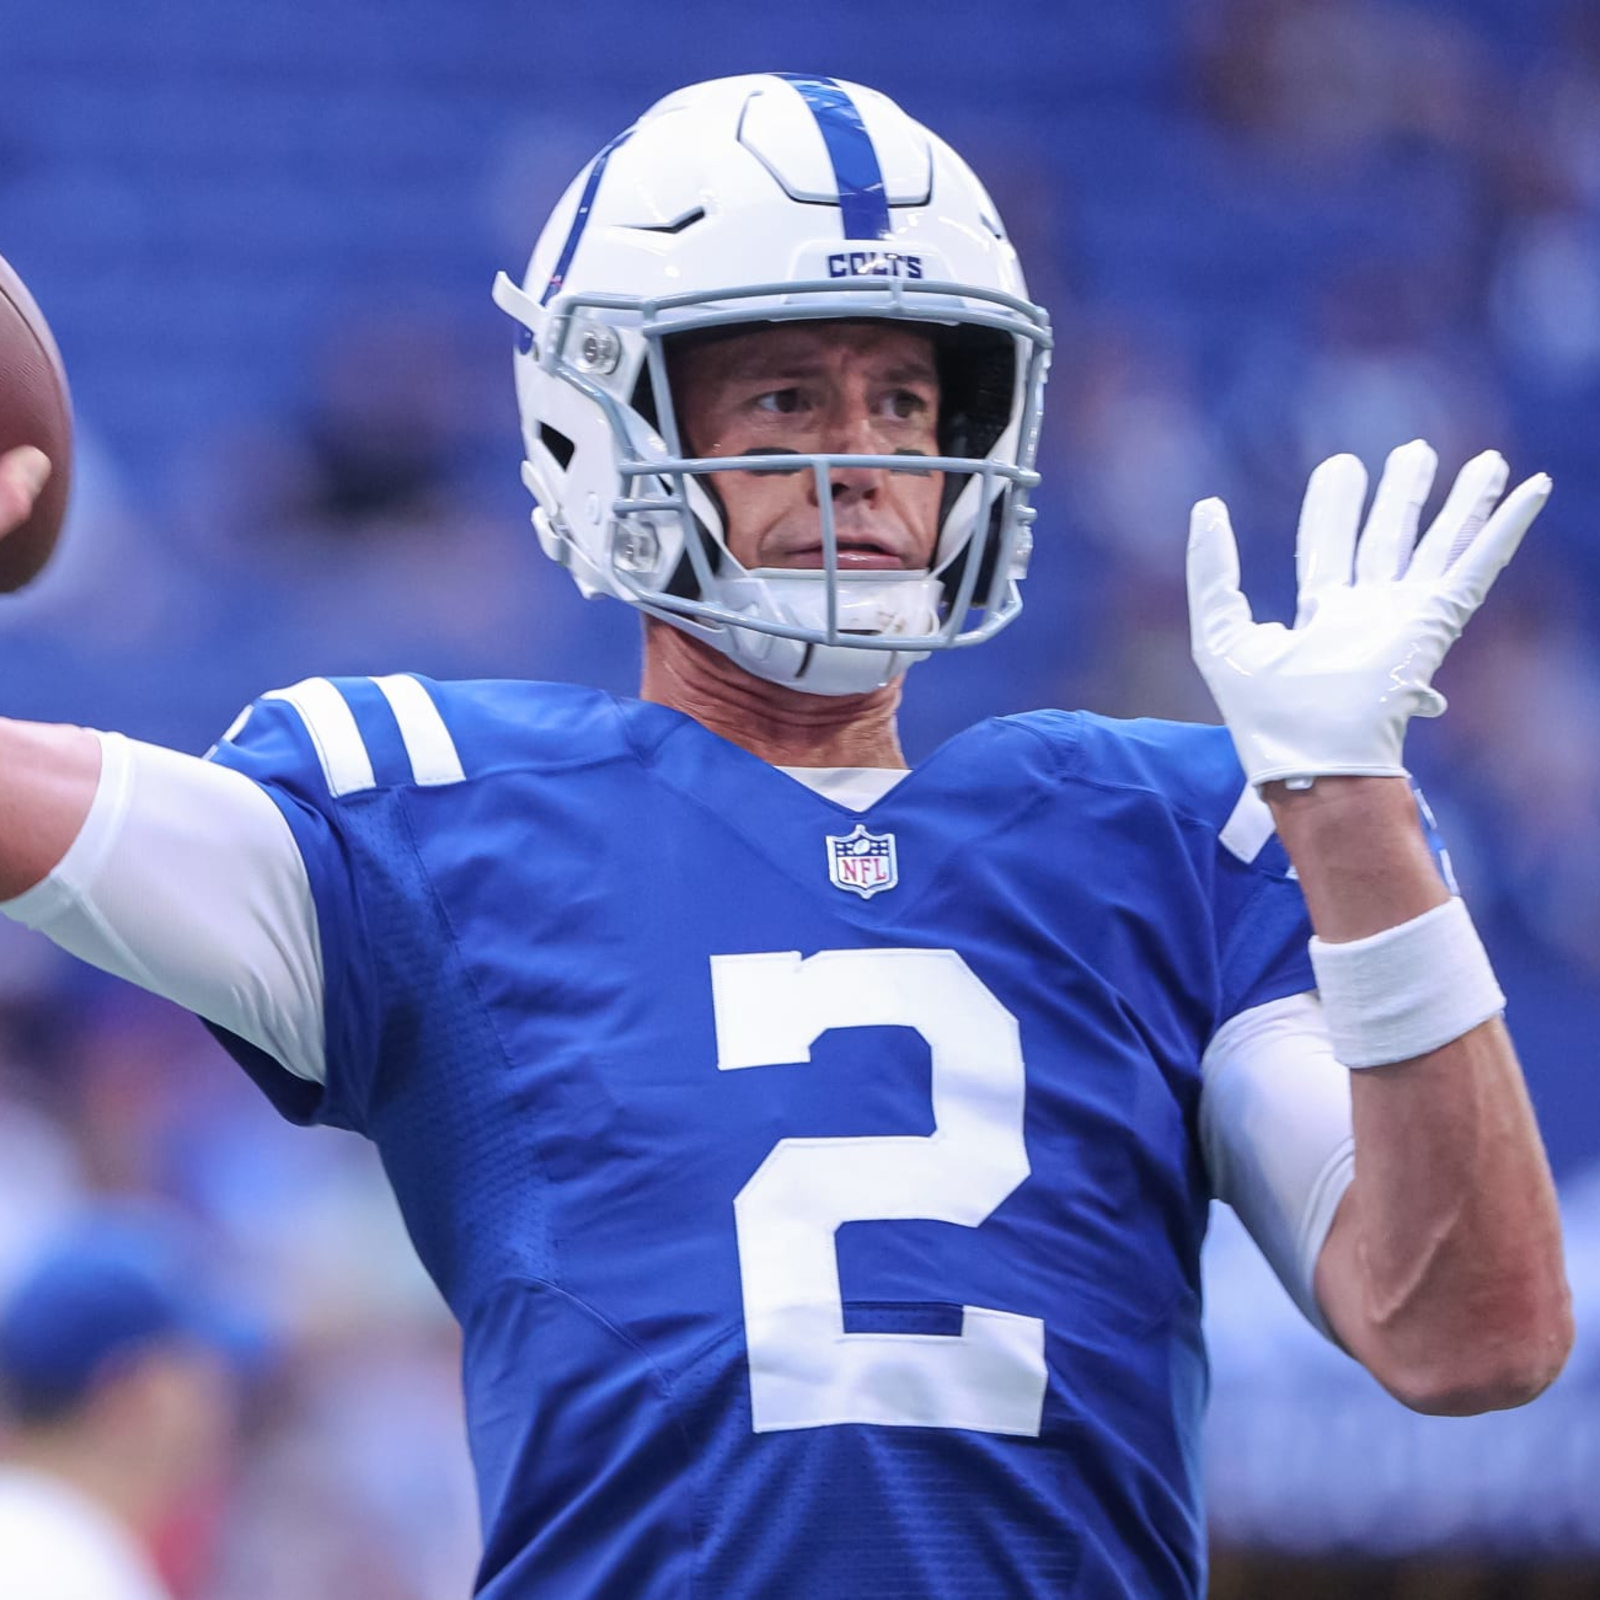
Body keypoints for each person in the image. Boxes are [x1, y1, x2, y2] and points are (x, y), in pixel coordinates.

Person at [0, 73, 1573, 1599]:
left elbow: (1469, 1337)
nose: (864, 460)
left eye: (906, 396)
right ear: (593, 422)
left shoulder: (1176, 840)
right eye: (783, 397)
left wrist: (1354, 808)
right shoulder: (429, 817)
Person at [0, 1215, 239, 1600]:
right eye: (201, 1364)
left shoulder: (48, 1548)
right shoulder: (65, 1572)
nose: (223, 1395)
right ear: (135, 1395)